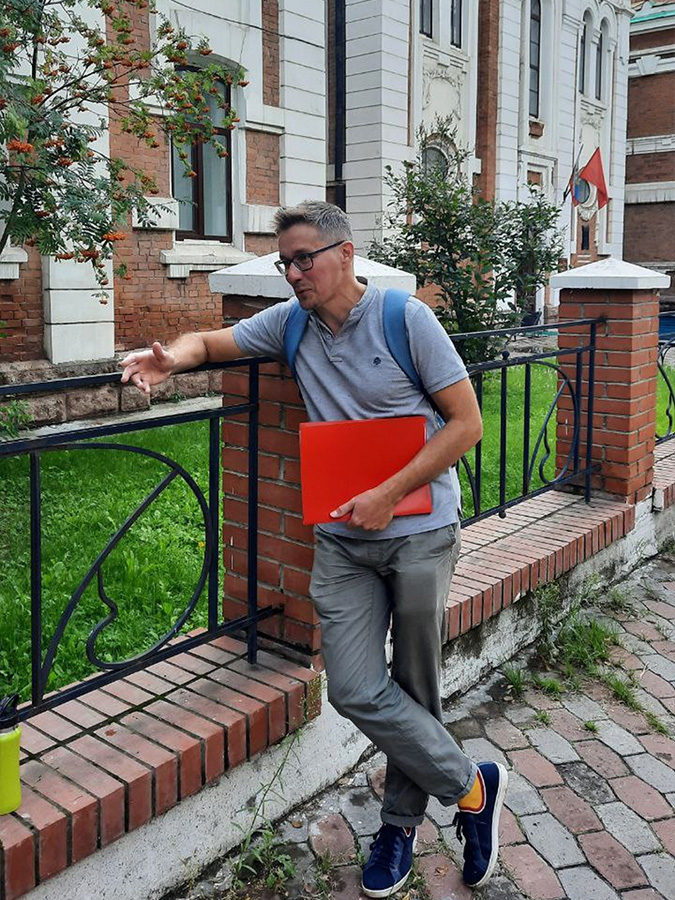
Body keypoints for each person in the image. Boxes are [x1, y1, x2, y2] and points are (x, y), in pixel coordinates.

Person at [121, 201, 508, 895]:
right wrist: (169, 359)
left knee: (415, 685)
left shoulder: (404, 319)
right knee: (356, 688)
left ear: (345, 254)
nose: (294, 273)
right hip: (342, 543)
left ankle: (397, 827)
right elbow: (209, 343)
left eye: (305, 259)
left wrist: (388, 492)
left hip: (418, 533)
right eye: (285, 263)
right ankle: (471, 788)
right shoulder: (290, 323)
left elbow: (466, 424)